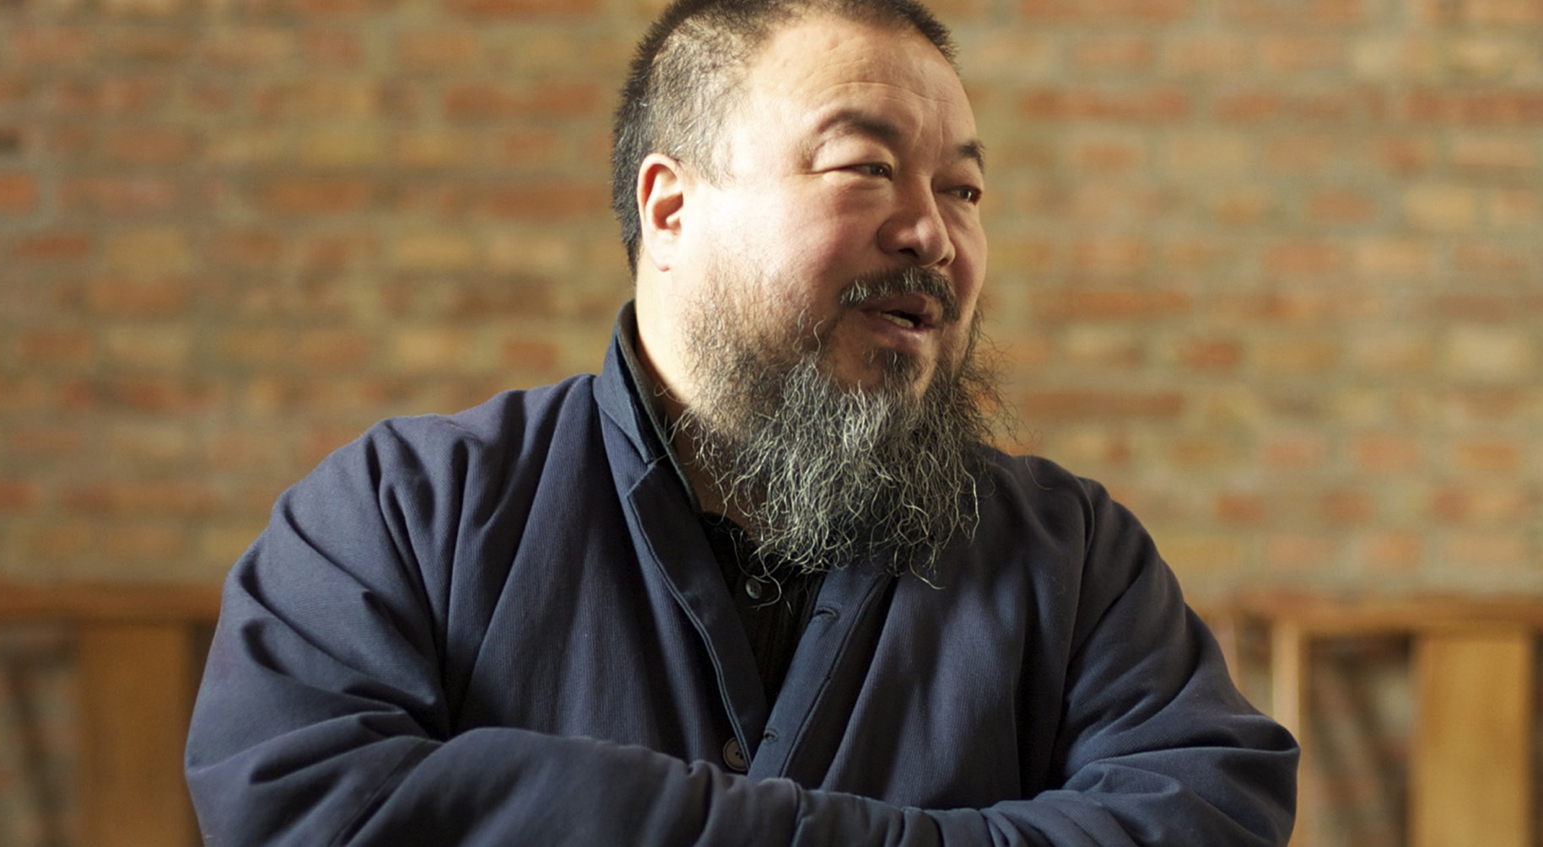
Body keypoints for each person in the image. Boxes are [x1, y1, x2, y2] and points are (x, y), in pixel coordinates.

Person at [184, 0, 1299, 844]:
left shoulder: (1077, 557)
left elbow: (1208, 807)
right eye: (865, 165)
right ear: (671, 208)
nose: (931, 232)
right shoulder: (396, 518)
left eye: (963, 189)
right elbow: (302, 799)